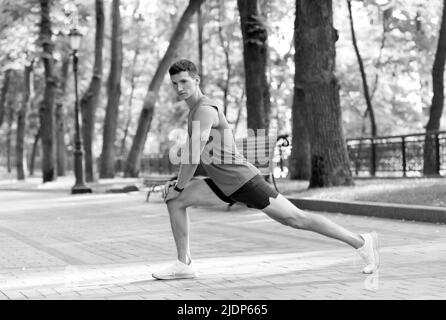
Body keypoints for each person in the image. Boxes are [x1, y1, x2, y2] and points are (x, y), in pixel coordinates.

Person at [151, 59, 379, 280]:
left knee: (296, 219)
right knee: (175, 201)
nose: (179, 88)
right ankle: (184, 264)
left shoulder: (205, 109)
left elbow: (192, 154)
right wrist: (178, 185)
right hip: (223, 184)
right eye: (175, 84)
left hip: (243, 181)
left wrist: (180, 185)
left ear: (196, 80)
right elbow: (203, 156)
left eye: (184, 82)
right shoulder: (194, 112)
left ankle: (360, 242)